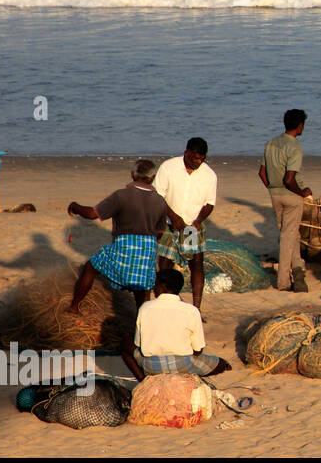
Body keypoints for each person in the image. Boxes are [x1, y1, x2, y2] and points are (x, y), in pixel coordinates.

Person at [66, 160, 185, 313]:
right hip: (148, 249)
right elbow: (159, 233)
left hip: (124, 245)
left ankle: (74, 307)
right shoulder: (160, 201)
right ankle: (141, 320)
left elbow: (91, 214)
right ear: (153, 178)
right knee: (142, 289)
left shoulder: (121, 195)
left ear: (132, 175)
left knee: (90, 267)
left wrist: (75, 206)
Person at [120, 269, 232, 380]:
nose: (154, 288)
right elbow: (198, 350)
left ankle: (143, 380)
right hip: (183, 366)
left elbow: (138, 343)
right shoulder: (191, 310)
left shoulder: (145, 308)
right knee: (221, 364)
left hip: (151, 366)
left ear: (163, 287)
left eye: (156, 284)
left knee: (125, 343)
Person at [153, 137, 217, 311]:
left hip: (193, 228)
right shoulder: (169, 167)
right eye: (194, 158)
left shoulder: (209, 175)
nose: (198, 162)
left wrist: (197, 221)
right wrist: (173, 217)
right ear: (186, 153)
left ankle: (196, 308)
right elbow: (158, 196)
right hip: (168, 223)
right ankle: (163, 305)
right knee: (165, 264)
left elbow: (210, 203)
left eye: (202, 159)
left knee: (196, 264)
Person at [259, 109, 311, 291]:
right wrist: (301, 193)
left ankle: (298, 272)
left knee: (291, 234)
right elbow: (290, 179)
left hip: (275, 194)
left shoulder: (271, 143)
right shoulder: (295, 146)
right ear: (300, 126)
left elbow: (262, 173)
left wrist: (273, 189)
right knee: (288, 237)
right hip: (291, 195)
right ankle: (283, 282)